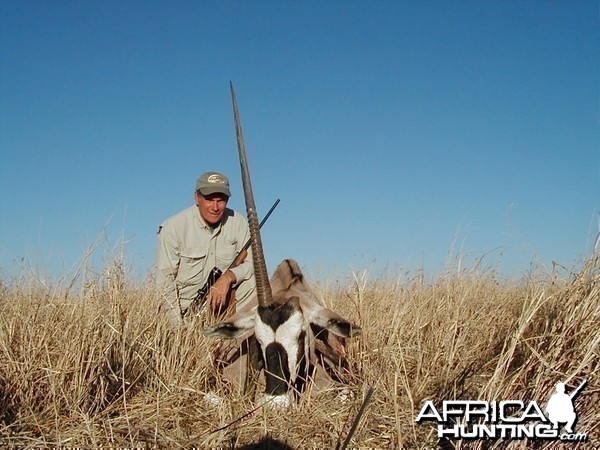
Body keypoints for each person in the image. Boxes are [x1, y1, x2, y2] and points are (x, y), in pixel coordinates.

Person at [155, 171, 255, 327]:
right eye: (209, 199)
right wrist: (177, 329)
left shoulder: (238, 223)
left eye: (220, 200)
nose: (215, 207)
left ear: (227, 200)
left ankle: (242, 337)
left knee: (252, 281)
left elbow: (253, 264)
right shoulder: (173, 227)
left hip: (223, 303)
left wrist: (228, 277)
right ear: (197, 198)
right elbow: (165, 281)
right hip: (187, 311)